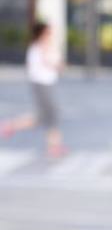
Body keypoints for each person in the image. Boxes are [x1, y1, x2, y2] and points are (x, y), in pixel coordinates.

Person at [1, 21, 66, 159]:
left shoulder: (47, 47)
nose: (50, 35)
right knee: (51, 114)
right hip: (41, 84)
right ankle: (54, 146)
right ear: (41, 33)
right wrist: (53, 61)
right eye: (48, 32)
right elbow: (46, 64)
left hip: (48, 83)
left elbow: (58, 64)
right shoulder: (37, 48)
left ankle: (11, 126)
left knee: (43, 117)